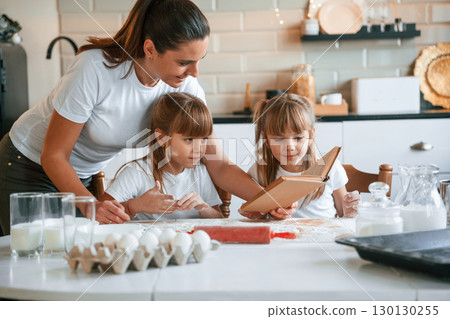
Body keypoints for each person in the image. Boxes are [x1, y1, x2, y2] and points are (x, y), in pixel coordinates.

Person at [0, 0, 293, 235]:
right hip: (29, 165)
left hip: (80, 175)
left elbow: (218, 165)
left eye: (198, 61)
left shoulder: (185, 85)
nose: (194, 73)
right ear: (150, 48)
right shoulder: (94, 69)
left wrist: (266, 200)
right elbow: (54, 155)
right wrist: (90, 205)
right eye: (183, 62)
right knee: (35, 260)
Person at [102, 92, 223, 220]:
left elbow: (219, 219)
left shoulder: (200, 172)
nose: (199, 149)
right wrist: (134, 206)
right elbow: (102, 212)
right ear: (161, 138)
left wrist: (203, 207)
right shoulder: (138, 172)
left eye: (204, 138)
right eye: (189, 139)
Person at [244, 94, 360, 220]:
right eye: (279, 139)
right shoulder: (259, 171)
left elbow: (343, 213)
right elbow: (254, 217)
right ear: (266, 139)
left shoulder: (330, 167)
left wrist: (350, 210)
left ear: (311, 136)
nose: (290, 147)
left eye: (298, 138)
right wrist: (258, 211)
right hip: (281, 238)